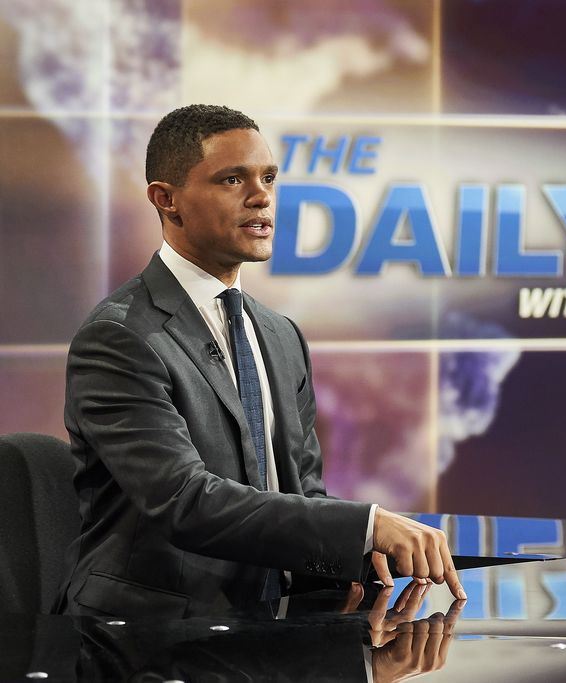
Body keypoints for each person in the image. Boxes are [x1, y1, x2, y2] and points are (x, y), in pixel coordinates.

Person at [56, 104, 465, 617]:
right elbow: (186, 503)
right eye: (233, 179)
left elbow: (303, 493)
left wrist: (363, 555)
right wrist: (365, 525)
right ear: (166, 200)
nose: (261, 196)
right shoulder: (120, 337)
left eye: (268, 177)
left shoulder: (281, 335)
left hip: (273, 624)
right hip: (146, 633)